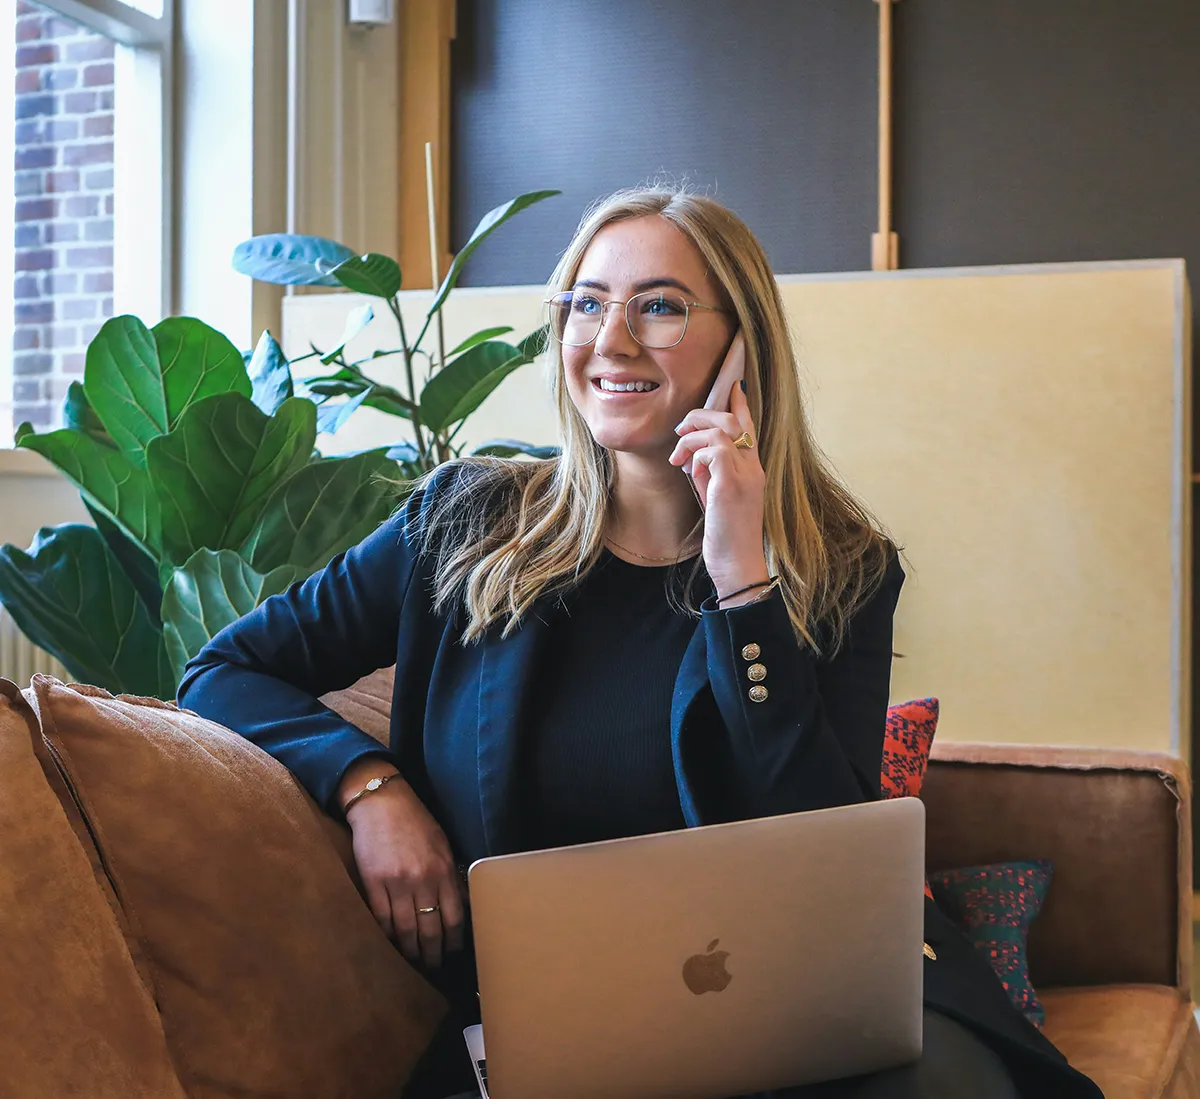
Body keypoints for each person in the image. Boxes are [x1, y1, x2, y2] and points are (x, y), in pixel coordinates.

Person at [178, 187, 1100, 1099]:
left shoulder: (842, 567)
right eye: (585, 302)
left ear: (743, 345)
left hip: (806, 1013)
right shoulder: (462, 525)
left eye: (658, 306)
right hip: (555, 1029)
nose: (610, 339)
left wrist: (745, 583)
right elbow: (222, 668)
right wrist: (369, 787)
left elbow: (830, 853)